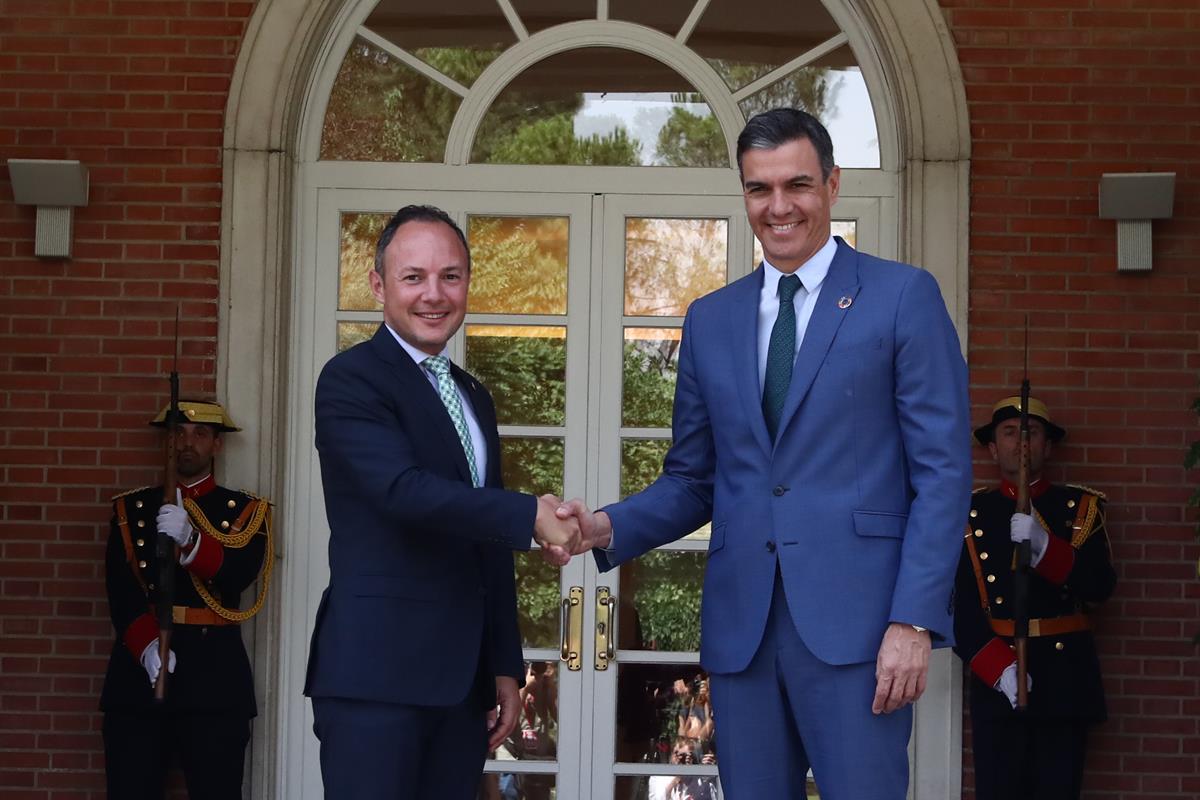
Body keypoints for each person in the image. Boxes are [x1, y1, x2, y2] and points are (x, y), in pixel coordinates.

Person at [553, 108, 972, 799]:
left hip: (860, 631)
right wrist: (601, 528)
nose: (779, 207)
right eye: (759, 189)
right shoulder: (711, 318)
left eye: (797, 185)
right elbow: (693, 480)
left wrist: (914, 619)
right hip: (743, 630)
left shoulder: (902, 298)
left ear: (832, 184)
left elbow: (944, 471)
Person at [303, 204, 581, 800]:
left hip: (459, 688)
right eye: (414, 278)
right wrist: (527, 514)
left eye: (450, 276)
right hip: (375, 678)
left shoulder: (472, 396)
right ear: (379, 285)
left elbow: (485, 540)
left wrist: (504, 666)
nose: (435, 294)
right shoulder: (350, 380)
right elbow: (402, 491)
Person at [101, 400, 272, 799]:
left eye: (199, 434)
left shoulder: (247, 511)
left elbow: (239, 576)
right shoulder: (131, 508)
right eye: (177, 433)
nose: (186, 442)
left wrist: (191, 540)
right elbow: (120, 590)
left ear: (217, 446)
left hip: (215, 675)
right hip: (140, 675)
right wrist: (145, 647)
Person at [955, 396, 1116, 800]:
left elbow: (1099, 587)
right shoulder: (971, 512)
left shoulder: (1079, 508)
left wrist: (1046, 548)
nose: (1021, 442)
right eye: (1009, 433)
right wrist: (1000, 670)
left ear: (1048, 446)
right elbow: (958, 607)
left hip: (1065, 681)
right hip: (1000, 683)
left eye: (1032, 432)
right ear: (992, 448)